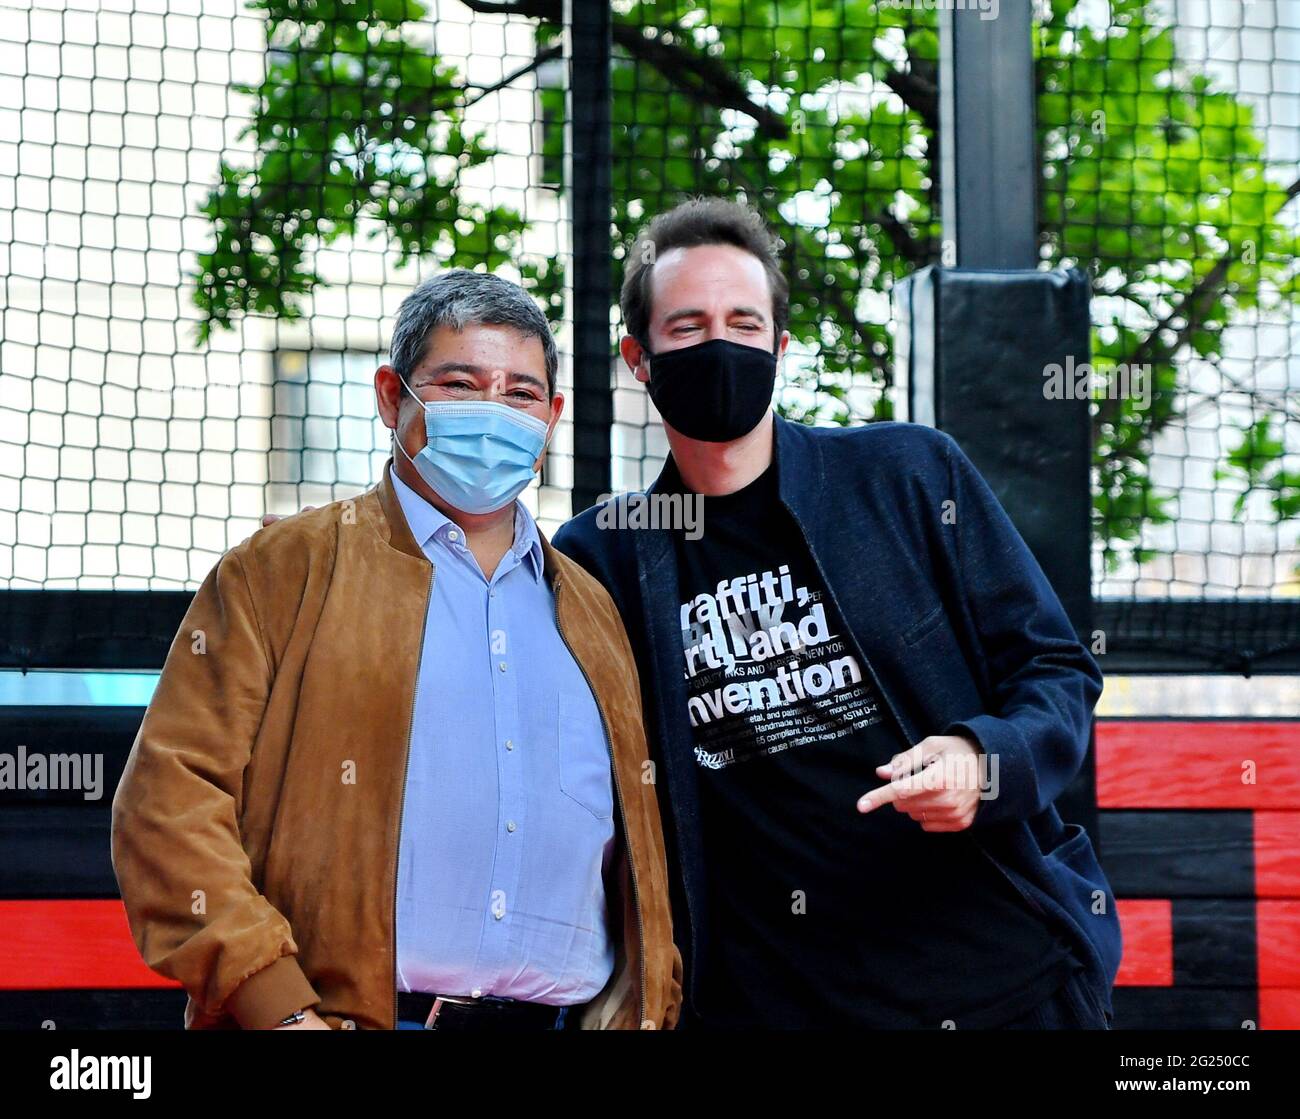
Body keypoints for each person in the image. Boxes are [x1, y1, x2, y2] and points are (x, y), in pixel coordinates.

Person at [551, 196, 1121, 1029]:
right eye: (688, 326)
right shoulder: (603, 557)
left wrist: (983, 757)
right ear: (640, 359)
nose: (720, 344)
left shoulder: (907, 475)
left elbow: (1057, 669)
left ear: (779, 347)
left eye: (744, 324)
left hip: (1001, 985)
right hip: (772, 1006)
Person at [111, 269, 681, 1031]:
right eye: (460, 383)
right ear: (390, 397)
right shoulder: (282, 571)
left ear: (552, 417)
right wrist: (280, 1013)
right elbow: (167, 803)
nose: (493, 409)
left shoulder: (592, 609)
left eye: (519, 393)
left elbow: (639, 856)